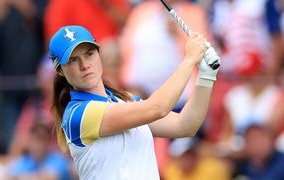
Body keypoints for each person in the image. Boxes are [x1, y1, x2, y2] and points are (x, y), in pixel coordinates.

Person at [48, 25, 220, 179]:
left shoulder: (124, 101)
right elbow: (157, 108)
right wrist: (189, 59)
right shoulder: (78, 114)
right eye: (72, 60)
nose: (84, 65)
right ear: (60, 70)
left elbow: (185, 125)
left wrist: (206, 75)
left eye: (89, 54)